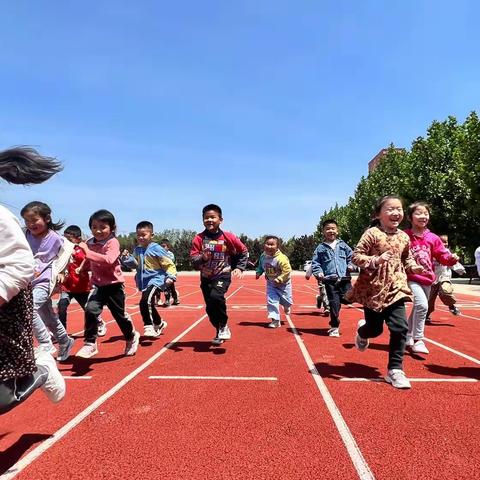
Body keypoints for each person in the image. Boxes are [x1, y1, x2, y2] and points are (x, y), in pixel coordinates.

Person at [0, 146, 65, 414]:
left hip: (7, 305)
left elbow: (20, 263)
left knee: (3, 398)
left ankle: (40, 366)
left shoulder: (2, 219)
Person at [349, 195, 423, 389]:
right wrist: (375, 260)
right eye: (390, 209)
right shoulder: (371, 234)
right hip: (373, 289)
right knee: (375, 330)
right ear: (378, 214)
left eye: (399, 209)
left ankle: (395, 370)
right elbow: (356, 256)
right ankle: (362, 332)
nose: (396, 213)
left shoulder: (404, 236)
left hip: (396, 287)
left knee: (400, 327)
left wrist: (413, 267)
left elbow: (407, 257)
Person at [76, 210, 139, 358]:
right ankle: (90, 343)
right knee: (90, 309)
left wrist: (86, 252)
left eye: (102, 227)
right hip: (98, 285)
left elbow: (109, 260)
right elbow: (89, 259)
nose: (98, 230)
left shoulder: (113, 242)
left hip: (114, 285)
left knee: (119, 316)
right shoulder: (90, 243)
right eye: (94, 227)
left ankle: (131, 337)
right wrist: (83, 268)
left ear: (112, 228)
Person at [20, 201, 75, 362]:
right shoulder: (25, 235)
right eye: (26, 221)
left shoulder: (57, 239)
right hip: (28, 280)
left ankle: (45, 342)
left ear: (47, 218)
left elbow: (66, 256)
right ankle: (65, 341)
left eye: (34, 220)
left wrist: (62, 272)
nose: (30, 224)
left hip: (44, 281)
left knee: (28, 310)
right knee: (48, 316)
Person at [190, 204, 248, 345]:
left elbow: (244, 251)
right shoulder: (198, 238)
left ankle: (223, 325)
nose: (209, 220)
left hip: (222, 274)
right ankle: (220, 328)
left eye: (212, 217)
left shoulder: (228, 237)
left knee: (216, 297)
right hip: (206, 277)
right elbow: (193, 259)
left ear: (220, 219)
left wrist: (240, 268)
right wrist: (202, 258)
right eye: (206, 218)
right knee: (210, 308)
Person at [405, 202, 458, 354]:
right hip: (411, 277)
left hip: (428, 278)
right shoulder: (405, 236)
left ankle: (407, 334)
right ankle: (418, 339)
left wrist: (452, 259)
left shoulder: (433, 238)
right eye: (419, 213)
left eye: (426, 213)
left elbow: (442, 255)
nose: (423, 216)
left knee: (418, 308)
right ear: (410, 217)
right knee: (422, 305)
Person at [121, 222, 175, 337]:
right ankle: (159, 323)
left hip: (157, 279)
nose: (140, 237)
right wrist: (127, 258)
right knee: (147, 301)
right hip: (144, 281)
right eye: (138, 235)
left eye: (143, 235)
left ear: (152, 235)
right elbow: (134, 264)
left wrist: (171, 276)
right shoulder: (138, 249)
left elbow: (168, 264)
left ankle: (148, 326)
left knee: (144, 301)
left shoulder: (157, 248)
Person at [58, 225, 107, 335]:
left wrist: (82, 268)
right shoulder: (63, 249)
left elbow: (90, 260)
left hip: (81, 286)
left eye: (69, 239)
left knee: (89, 310)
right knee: (61, 306)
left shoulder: (84, 249)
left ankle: (99, 323)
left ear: (78, 238)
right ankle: (61, 332)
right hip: (67, 286)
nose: (66, 241)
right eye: (65, 239)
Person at [311, 219, 354, 337]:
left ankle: (324, 298)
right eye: (328, 229)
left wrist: (351, 265)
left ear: (337, 230)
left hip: (345, 279)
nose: (331, 231)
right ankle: (334, 326)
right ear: (323, 232)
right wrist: (318, 273)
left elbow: (352, 257)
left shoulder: (343, 245)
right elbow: (316, 263)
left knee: (350, 299)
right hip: (330, 281)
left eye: (333, 228)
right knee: (334, 305)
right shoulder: (320, 248)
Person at [426, 234, 466, 323]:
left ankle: (451, 306)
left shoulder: (447, 252)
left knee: (446, 290)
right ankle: (426, 315)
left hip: (444, 276)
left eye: (446, 242)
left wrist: (460, 270)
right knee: (429, 300)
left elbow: (452, 261)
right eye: (442, 242)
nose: (444, 244)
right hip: (432, 279)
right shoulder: (430, 252)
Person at [255, 236, 293, 328]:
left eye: (272, 244)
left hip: (284, 284)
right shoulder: (263, 256)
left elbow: (287, 271)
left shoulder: (281, 258)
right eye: (267, 244)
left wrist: (280, 279)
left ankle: (287, 307)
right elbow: (261, 265)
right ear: (264, 245)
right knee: (271, 301)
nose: (269, 246)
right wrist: (259, 272)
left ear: (277, 247)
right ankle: (275, 320)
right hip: (271, 283)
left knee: (287, 301)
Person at [160, 239, 180, 306]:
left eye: (164, 246)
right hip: (164, 273)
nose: (162, 248)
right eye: (161, 246)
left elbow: (170, 261)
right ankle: (175, 300)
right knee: (171, 287)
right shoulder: (160, 255)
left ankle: (168, 300)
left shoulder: (170, 254)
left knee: (166, 287)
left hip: (170, 273)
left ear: (168, 247)